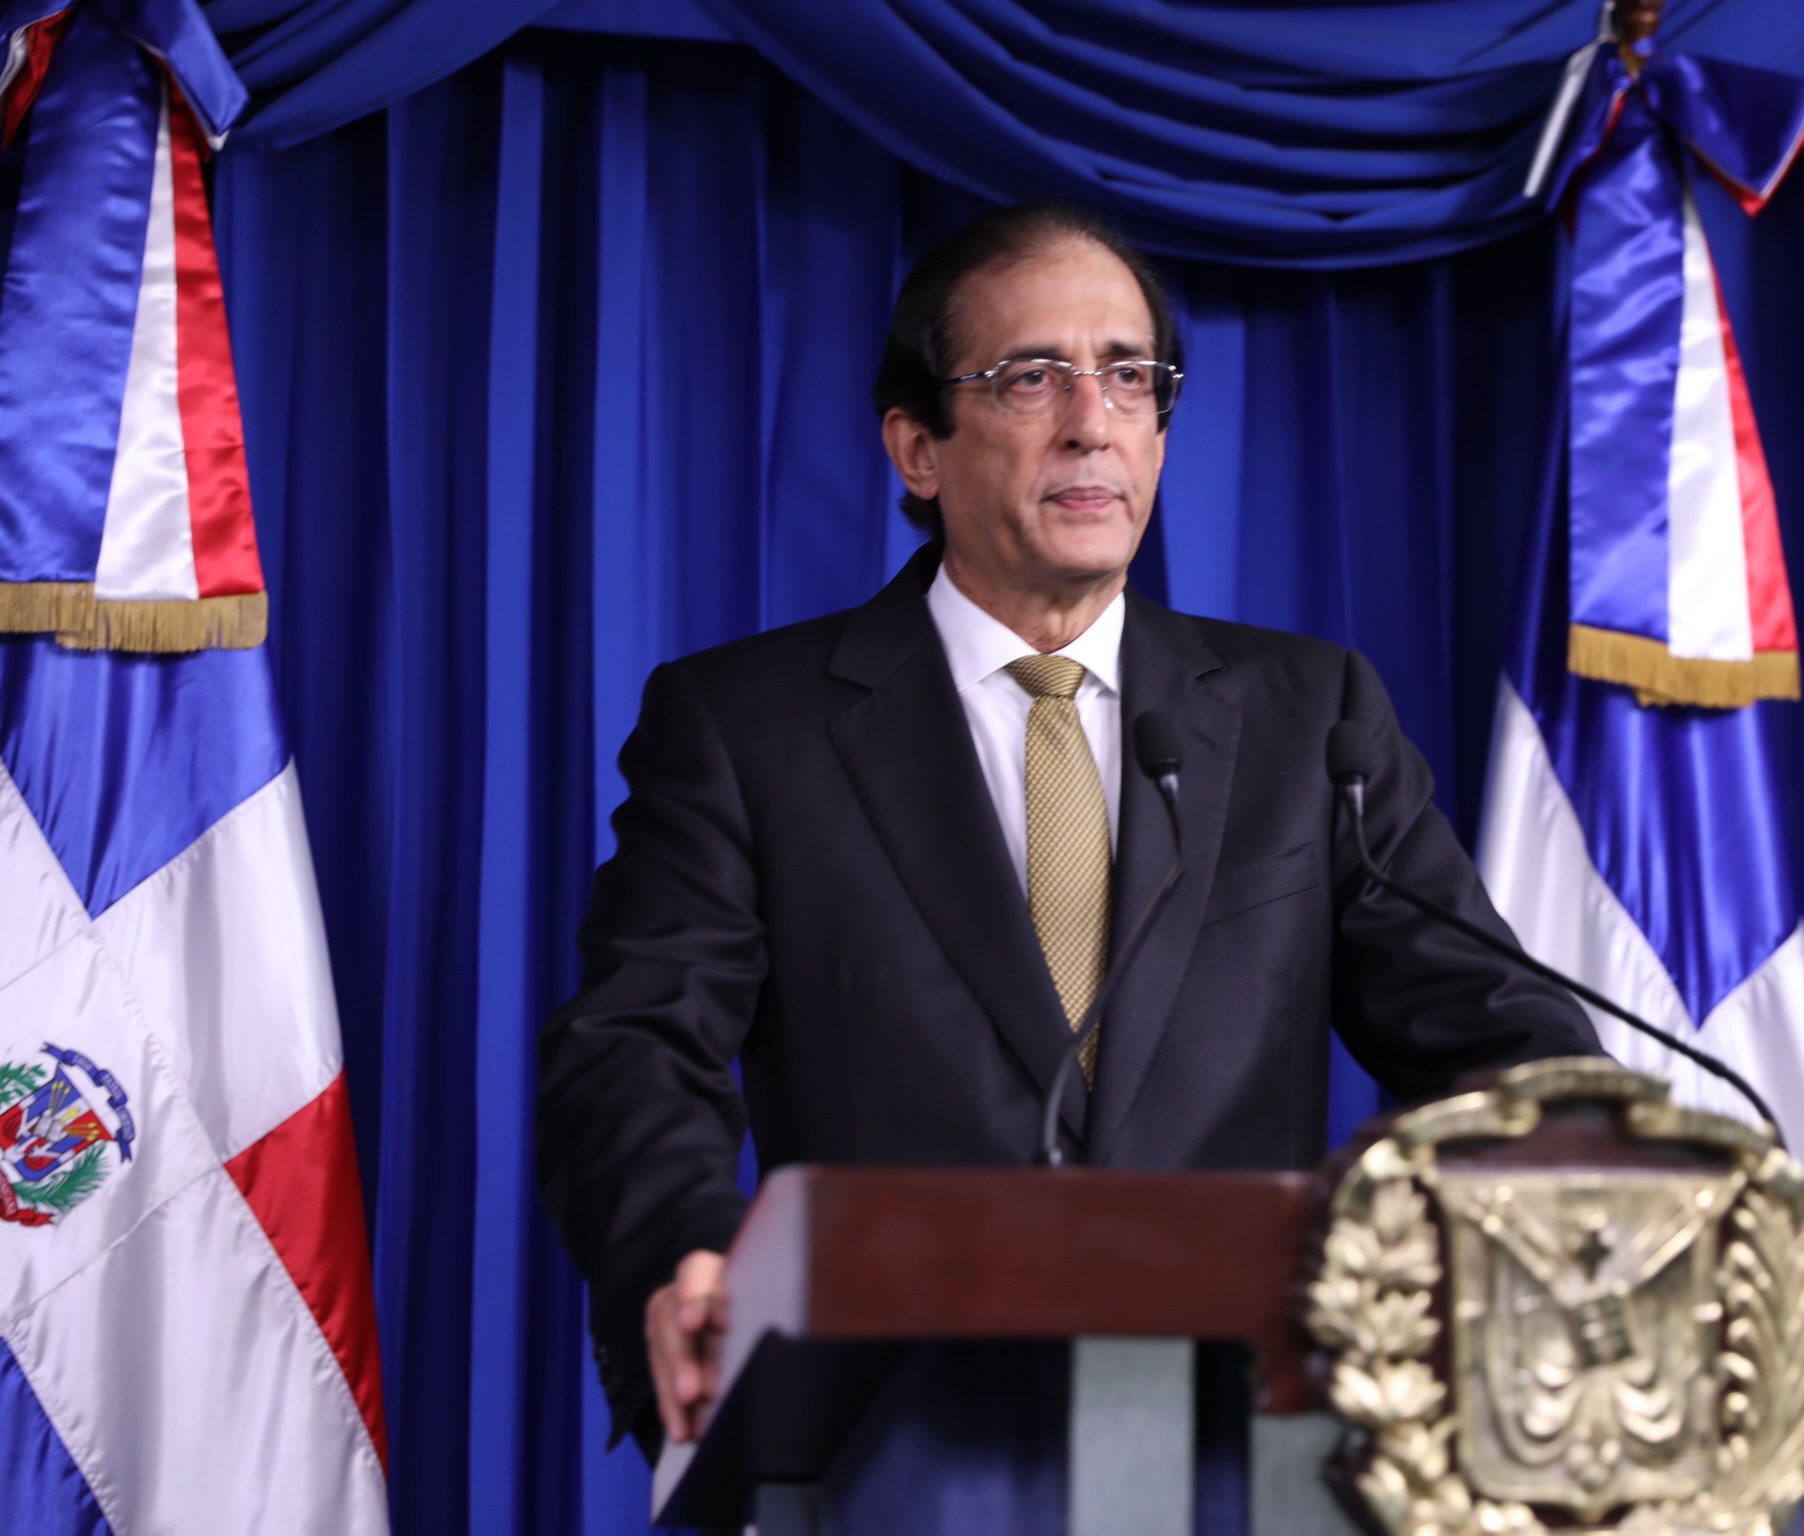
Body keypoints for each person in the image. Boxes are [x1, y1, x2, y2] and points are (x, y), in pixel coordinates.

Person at [534, 201, 1601, 1474]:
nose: (1093, 421)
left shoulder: (1308, 716)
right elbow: (635, 1044)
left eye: (1129, 376)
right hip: (886, 1439)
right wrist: (685, 1250)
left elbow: (1500, 1038)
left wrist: (1564, 1195)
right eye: (1032, 377)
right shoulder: (749, 727)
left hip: (1247, 1444)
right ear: (916, 448)